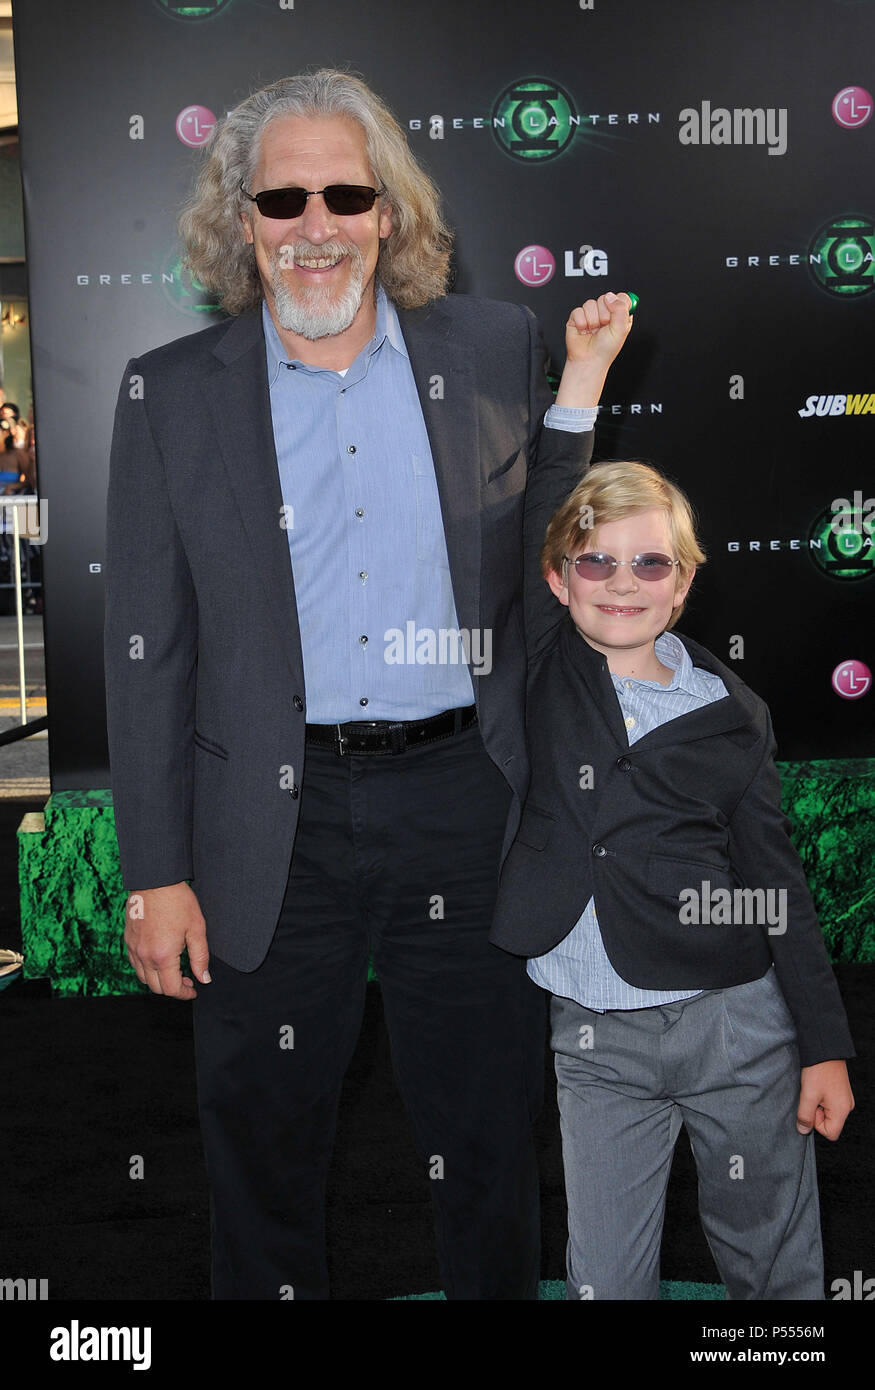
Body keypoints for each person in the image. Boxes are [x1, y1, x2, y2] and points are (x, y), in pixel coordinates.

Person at [103, 67, 633, 1300]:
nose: (314, 226)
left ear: (387, 210)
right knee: (262, 1142)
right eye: (280, 201)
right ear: (242, 223)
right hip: (263, 828)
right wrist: (151, 871)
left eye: (345, 193)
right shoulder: (171, 393)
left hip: (459, 798)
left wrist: (580, 395)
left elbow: (537, 554)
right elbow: (148, 649)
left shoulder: (490, 342)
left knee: (485, 1135)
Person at [490, 459, 855, 1300]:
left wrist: (823, 1046)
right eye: (596, 561)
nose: (623, 582)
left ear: (683, 582)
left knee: (769, 1260)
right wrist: (581, 381)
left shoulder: (735, 715)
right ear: (557, 578)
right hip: (593, 1045)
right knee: (605, 1281)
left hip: (734, 1025)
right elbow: (537, 515)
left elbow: (777, 887)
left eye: (651, 562)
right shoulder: (543, 666)